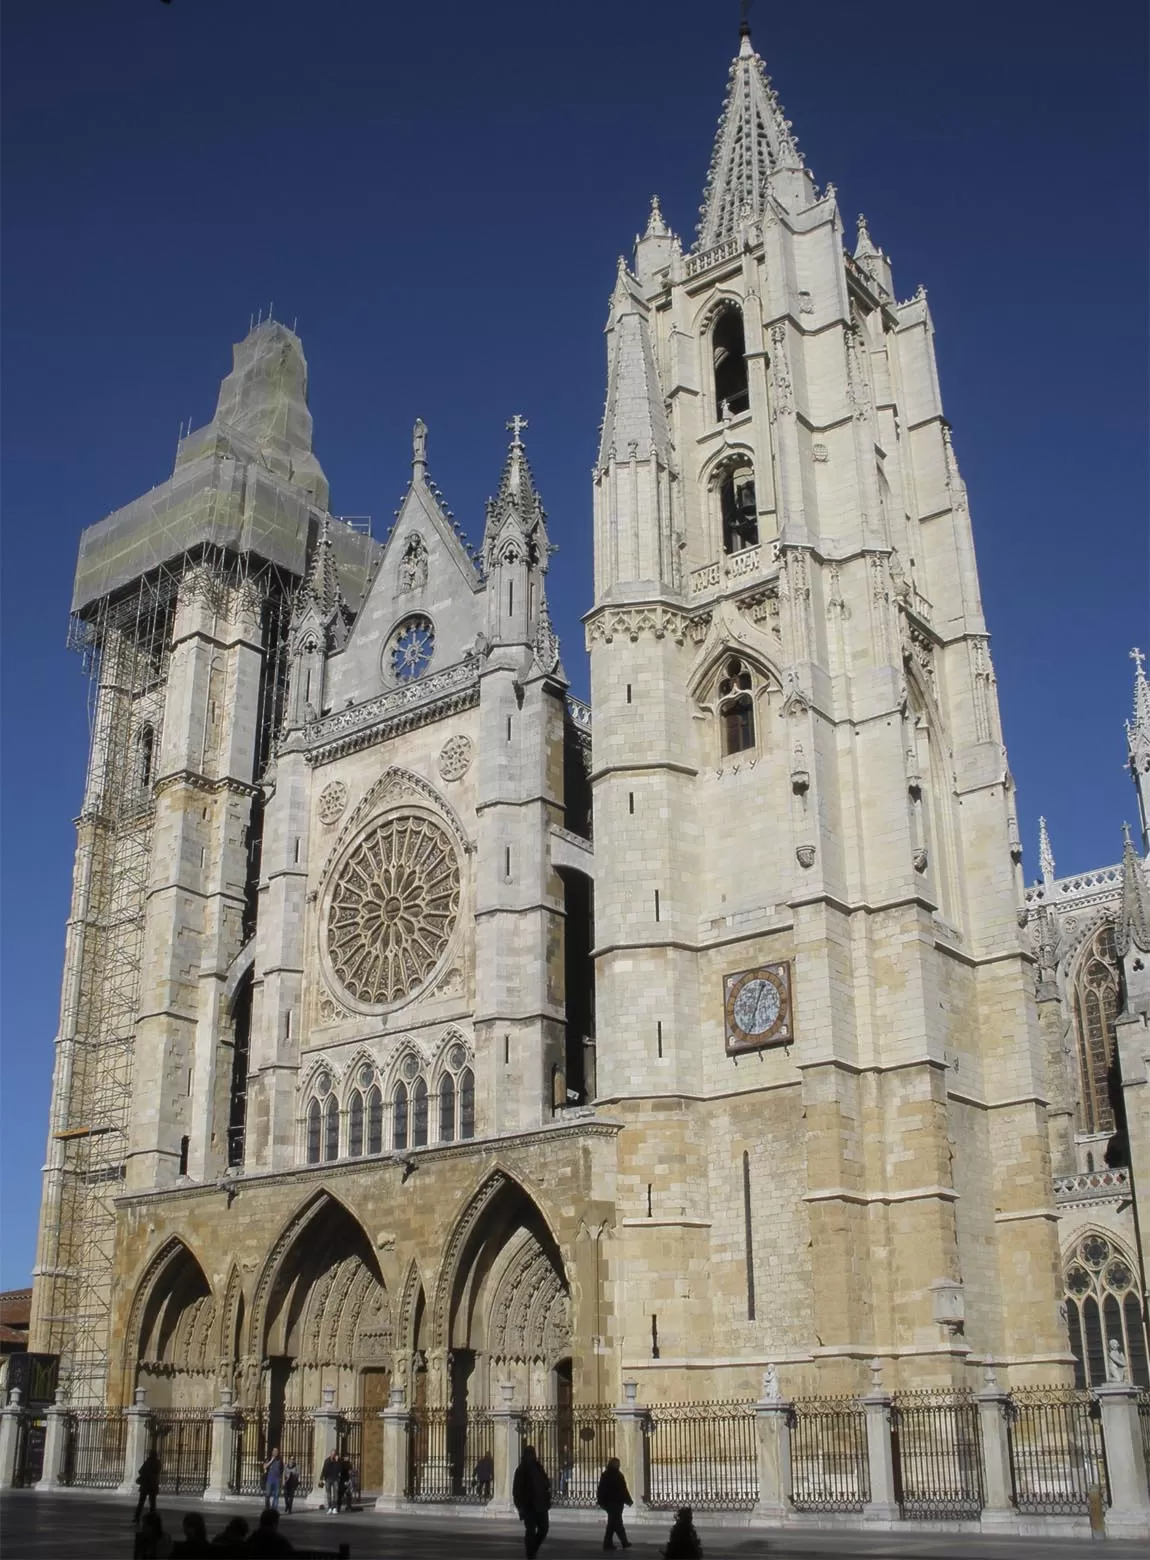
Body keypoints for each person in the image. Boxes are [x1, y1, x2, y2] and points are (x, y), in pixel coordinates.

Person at [512, 1443, 552, 1559]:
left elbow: (545, 1482)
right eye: (530, 1454)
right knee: (530, 1530)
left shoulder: (538, 1467)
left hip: (541, 1504)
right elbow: (517, 1489)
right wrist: (520, 1506)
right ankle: (530, 1554)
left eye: (533, 1454)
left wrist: (547, 1494)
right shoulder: (521, 1470)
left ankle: (533, 1549)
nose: (532, 1456)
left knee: (544, 1528)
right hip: (529, 1505)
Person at [596, 1455, 633, 1551]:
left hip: (609, 1503)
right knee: (617, 1523)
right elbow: (623, 1490)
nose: (619, 1465)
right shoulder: (618, 1475)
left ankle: (607, 1544)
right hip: (616, 1502)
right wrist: (628, 1500)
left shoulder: (606, 1474)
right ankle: (624, 1542)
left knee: (612, 1524)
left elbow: (601, 1489)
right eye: (618, 1463)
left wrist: (600, 1501)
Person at [134, 1448, 162, 1522]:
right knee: (152, 1503)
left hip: (146, 1485)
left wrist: (146, 1473)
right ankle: (153, 1518)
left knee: (141, 1502)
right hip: (153, 1485)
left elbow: (141, 1471)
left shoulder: (148, 1462)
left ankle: (137, 1517)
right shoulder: (158, 1462)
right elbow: (156, 1472)